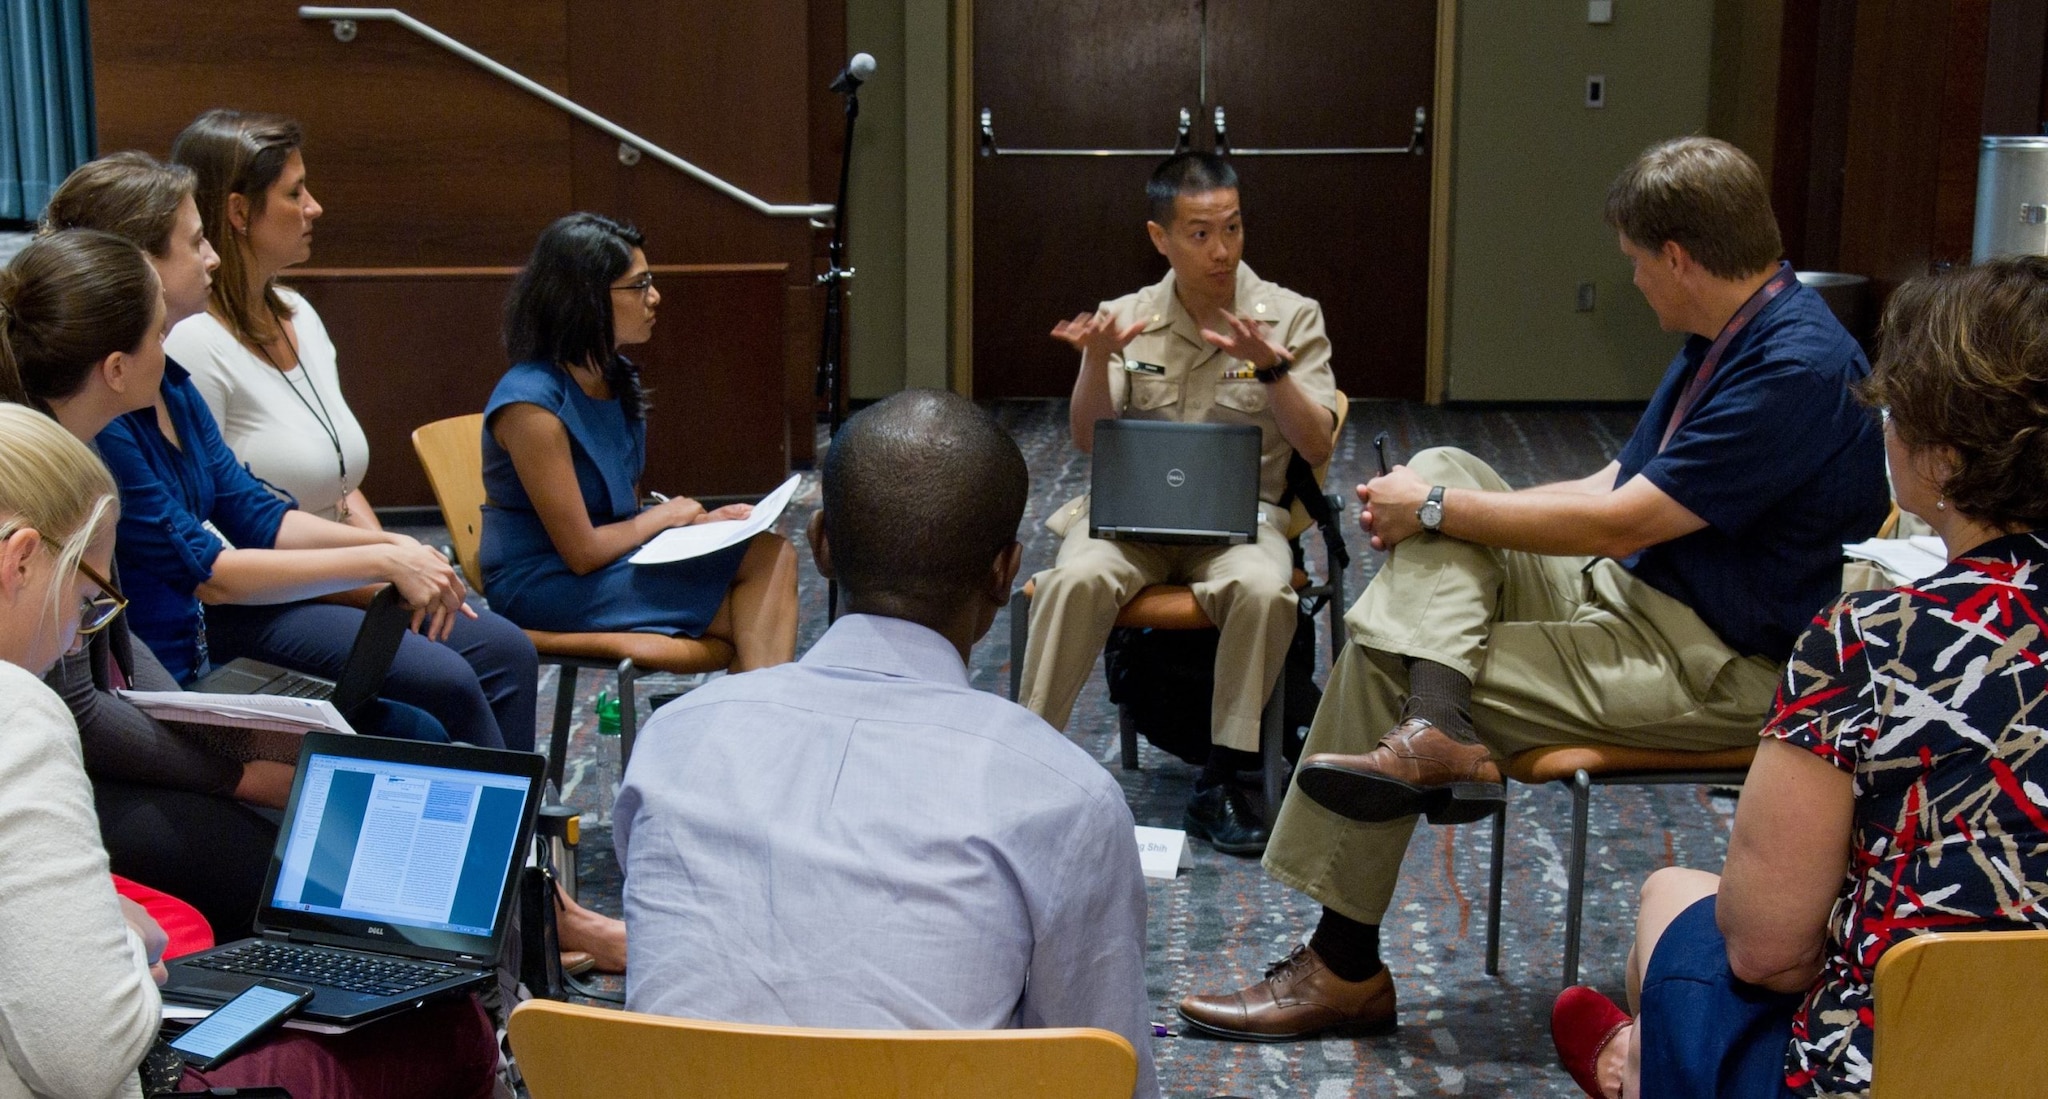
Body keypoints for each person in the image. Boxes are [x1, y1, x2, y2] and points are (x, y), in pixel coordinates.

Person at [1177, 136, 1891, 1041]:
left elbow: (1622, 521)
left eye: (1635, 264)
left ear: (1677, 256)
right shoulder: (1729, 328)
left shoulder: (1793, 370)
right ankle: (1440, 726)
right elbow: (1609, 483)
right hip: (1638, 594)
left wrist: (1436, 512)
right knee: (1446, 462)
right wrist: (1446, 499)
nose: (1632, 283)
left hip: (1721, 662)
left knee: (1387, 649)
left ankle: (1344, 964)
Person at [1549, 257, 2048, 1099]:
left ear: (1943, 454)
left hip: (1899, 1068)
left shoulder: (1866, 640)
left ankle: (1634, 1064)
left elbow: (1767, 947)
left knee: (1675, 899)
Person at [615, 390, 1158, 1099]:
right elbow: (1100, 1075)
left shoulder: (672, 742)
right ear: (1005, 571)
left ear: (821, 546)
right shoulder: (1063, 796)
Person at [0, 402, 498, 1098]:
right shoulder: (19, 715)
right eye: (88, 603)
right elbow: (91, 1061)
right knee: (450, 1030)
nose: (74, 643)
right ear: (21, 560)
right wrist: (130, 945)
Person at [164, 108, 538, 750]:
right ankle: (486, 836)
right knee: (450, 677)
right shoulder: (195, 345)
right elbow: (222, 532)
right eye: (294, 192)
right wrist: (378, 574)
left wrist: (396, 558)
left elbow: (339, 483)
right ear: (238, 212)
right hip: (264, 600)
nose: (315, 207)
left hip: (341, 570)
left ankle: (510, 835)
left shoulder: (300, 314)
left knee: (507, 649)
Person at [1018, 152, 1339, 856]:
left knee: (1263, 589)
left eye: (1232, 227)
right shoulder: (1126, 318)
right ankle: (1026, 766)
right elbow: (1085, 439)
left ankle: (1222, 779)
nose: (1221, 249)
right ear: (1160, 237)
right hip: (1134, 520)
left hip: (1240, 521)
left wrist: (1275, 369)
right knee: (1071, 578)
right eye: (1199, 233)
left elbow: (1316, 444)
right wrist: (1092, 362)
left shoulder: (1290, 316)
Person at [480, 212, 797, 669]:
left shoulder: (613, 378)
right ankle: (759, 732)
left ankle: (750, 729)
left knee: (769, 556)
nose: (655, 297)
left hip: (605, 566)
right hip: (544, 584)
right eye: (639, 285)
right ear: (585, 297)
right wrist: (669, 515)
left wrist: (692, 524)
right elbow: (583, 552)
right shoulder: (532, 406)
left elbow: (621, 515)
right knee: (758, 600)